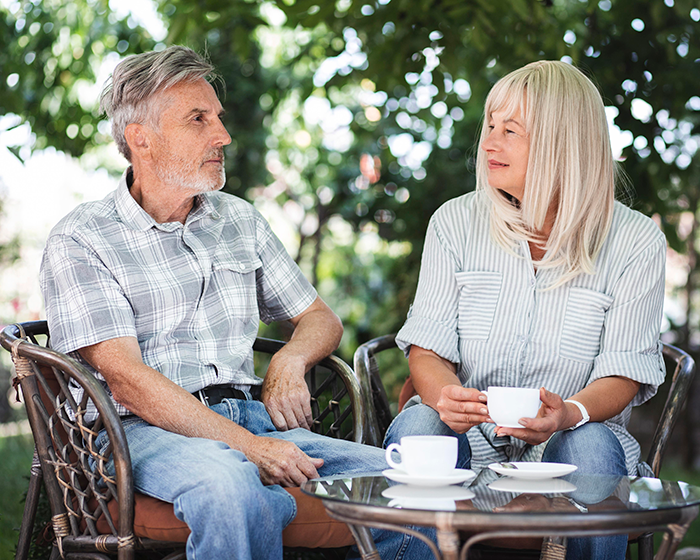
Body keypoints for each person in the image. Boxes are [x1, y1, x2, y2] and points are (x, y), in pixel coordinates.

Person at [39, 46, 429, 560]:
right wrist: (251, 451)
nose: (222, 136)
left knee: (409, 484)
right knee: (230, 486)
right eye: (197, 119)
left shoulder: (239, 220)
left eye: (217, 119)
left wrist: (289, 360)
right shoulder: (82, 239)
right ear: (141, 138)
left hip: (250, 417)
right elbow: (127, 381)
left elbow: (318, 318)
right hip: (138, 436)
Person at [384, 60, 666, 559]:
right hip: (470, 446)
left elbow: (624, 373)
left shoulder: (636, 240)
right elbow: (426, 351)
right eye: (490, 127)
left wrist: (568, 414)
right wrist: (446, 397)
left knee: (593, 444)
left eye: (510, 131)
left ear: (564, 144)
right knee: (419, 426)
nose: (489, 143)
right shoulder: (454, 222)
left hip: (570, 452)